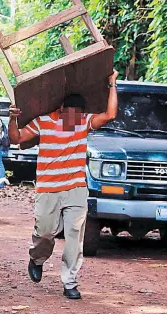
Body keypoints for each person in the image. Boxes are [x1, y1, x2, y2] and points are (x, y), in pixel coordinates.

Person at [8, 70, 119, 299]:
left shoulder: (83, 122)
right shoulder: (44, 122)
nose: (74, 120)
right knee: (45, 232)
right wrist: (11, 118)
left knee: (74, 235)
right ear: (61, 111)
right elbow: (17, 138)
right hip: (48, 188)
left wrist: (112, 84)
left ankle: (70, 282)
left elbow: (109, 114)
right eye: (70, 115)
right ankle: (37, 259)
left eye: (77, 115)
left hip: (76, 188)